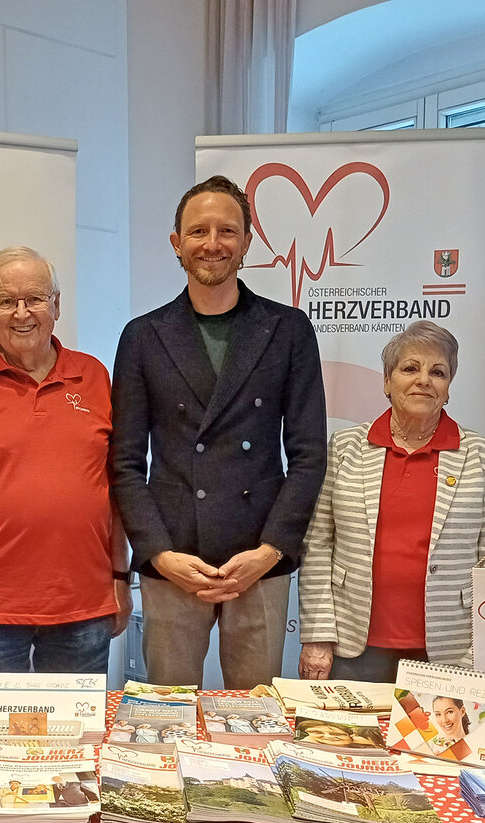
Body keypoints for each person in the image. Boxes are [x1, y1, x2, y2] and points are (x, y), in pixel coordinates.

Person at [112, 175, 326, 689]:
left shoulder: (287, 329)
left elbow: (308, 453)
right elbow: (124, 463)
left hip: (258, 558)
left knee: (253, 718)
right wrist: (159, 554)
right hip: (173, 559)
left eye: (227, 231)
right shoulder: (143, 335)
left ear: (248, 241)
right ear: (176, 243)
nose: (212, 244)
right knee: (165, 717)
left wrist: (272, 550)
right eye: (198, 231)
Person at [0, 247, 132, 673]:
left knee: (77, 737)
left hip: (83, 606)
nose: (21, 313)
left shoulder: (94, 376)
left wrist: (121, 580)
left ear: (56, 304)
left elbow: (115, 488)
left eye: (34, 298)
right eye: (6, 301)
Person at [299, 321, 485, 683]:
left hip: (450, 650)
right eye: (410, 368)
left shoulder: (482, 455)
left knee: (443, 739)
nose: (424, 380)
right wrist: (318, 636)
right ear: (386, 381)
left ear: (448, 388)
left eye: (438, 372)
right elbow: (317, 544)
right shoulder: (345, 447)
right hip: (353, 647)